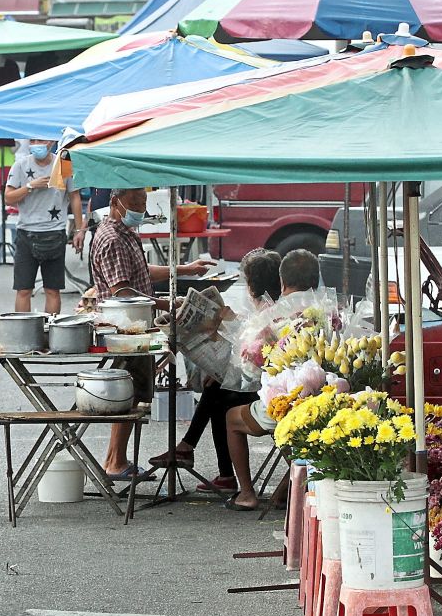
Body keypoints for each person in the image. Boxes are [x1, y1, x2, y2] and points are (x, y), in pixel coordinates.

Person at [88, 187, 214, 479]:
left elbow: (142, 271)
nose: (140, 209)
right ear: (115, 202)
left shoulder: (125, 232)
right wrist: (165, 301)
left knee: (133, 394)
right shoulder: (111, 239)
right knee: (128, 395)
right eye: (135, 203)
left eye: (143, 203)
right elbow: (123, 290)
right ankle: (115, 462)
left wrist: (185, 269)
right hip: (125, 328)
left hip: (137, 326)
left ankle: (115, 459)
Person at [150, 249, 282, 491]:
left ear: (252, 285)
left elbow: (254, 363)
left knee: (220, 398)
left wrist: (230, 323)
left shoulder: (270, 314)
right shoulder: (270, 308)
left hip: (270, 391)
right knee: (216, 387)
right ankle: (199, 456)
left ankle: (196, 453)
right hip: (263, 384)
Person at [222, 248, 322, 508]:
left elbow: (249, 370)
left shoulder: (272, 317)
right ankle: (287, 491)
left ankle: (246, 494)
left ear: (282, 282)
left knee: (232, 419)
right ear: (316, 280)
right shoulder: (330, 311)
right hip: (327, 401)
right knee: (292, 429)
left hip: (289, 404)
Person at [3, 140, 85, 315]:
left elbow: (75, 196)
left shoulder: (63, 164)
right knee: (24, 289)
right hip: (26, 232)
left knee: (52, 290)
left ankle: (51, 331)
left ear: (51, 142)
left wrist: (79, 230)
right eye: (32, 141)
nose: (36, 144)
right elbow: (8, 198)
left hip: (54, 232)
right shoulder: (20, 165)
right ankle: (24, 331)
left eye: (40, 140)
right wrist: (31, 186)